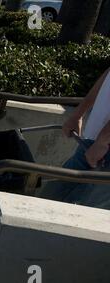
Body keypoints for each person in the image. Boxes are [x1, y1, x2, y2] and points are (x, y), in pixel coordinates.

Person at [38, 67, 110, 208]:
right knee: (47, 203)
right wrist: (78, 114)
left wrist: (103, 140)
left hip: (102, 148)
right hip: (91, 144)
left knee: (82, 216)